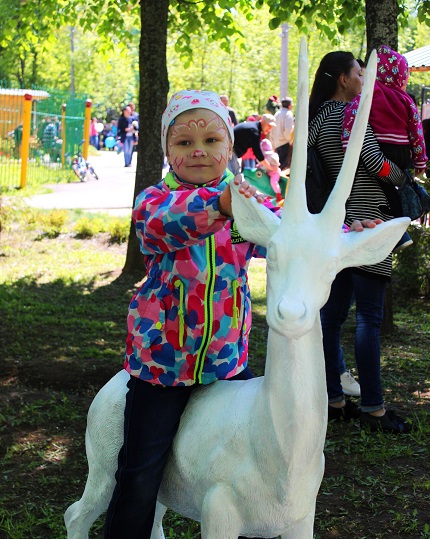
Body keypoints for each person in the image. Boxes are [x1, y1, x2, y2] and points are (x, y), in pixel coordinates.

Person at [103, 89, 281, 539]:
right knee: (141, 473)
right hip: (162, 365)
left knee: (248, 459)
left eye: (211, 140)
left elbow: (287, 230)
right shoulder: (154, 202)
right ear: (166, 150)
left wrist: (344, 228)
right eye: (183, 143)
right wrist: (221, 205)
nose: (198, 150)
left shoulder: (244, 202)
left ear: (229, 147)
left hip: (227, 361)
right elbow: (165, 226)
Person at [309, 51, 412, 434]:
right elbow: (371, 158)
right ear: (343, 80)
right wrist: (404, 176)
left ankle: (334, 400)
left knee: (331, 317)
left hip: (335, 227)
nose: (364, 77)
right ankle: (373, 408)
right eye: (358, 71)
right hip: (369, 224)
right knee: (368, 317)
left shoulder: (317, 119)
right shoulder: (353, 114)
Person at [342, 45, 428, 251]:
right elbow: (416, 132)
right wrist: (420, 160)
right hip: (400, 151)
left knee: (384, 186)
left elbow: (352, 115)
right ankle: (407, 218)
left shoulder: (370, 92)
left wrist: (347, 144)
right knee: (392, 186)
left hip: (379, 146)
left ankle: (398, 231)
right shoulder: (406, 100)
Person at [257, 138, 283, 202]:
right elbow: (262, 164)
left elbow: (276, 166)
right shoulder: (264, 157)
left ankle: (278, 194)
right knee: (267, 182)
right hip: (268, 172)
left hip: (274, 173)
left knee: (273, 182)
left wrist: (271, 167)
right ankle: (270, 194)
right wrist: (259, 166)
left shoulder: (272, 156)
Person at [273, 97, 294, 171]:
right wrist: (290, 141)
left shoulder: (277, 113)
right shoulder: (288, 114)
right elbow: (288, 130)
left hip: (276, 143)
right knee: (284, 167)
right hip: (284, 143)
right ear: (289, 105)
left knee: (278, 166)